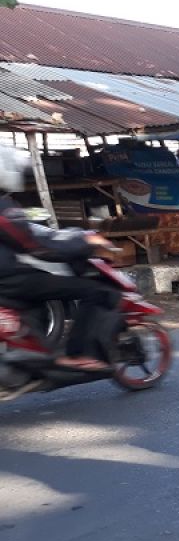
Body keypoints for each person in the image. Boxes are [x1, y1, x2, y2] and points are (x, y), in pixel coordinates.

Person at [0, 144, 119, 372]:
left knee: (40, 287)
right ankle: (79, 354)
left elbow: (31, 233)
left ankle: (35, 353)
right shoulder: (3, 207)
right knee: (92, 291)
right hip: (8, 279)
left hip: (9, 278)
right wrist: (82, 242)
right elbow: (34, 244)